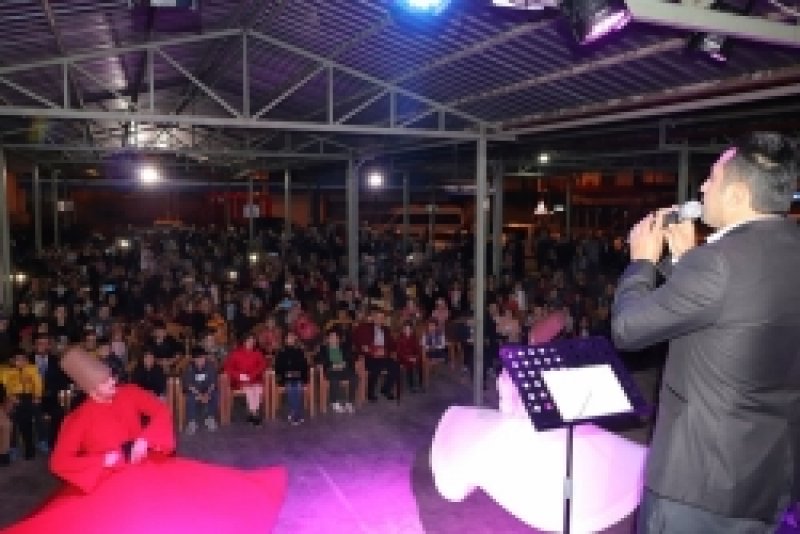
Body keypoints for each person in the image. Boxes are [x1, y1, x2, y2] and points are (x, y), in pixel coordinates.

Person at [611, 132, 800, 533]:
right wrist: (685, 260)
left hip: (698, 486)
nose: (702, 187)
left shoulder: (717, 263)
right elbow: (732, 313)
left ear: (738, 194)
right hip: (765, 480)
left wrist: (641, 262)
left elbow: (628, 329)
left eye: (712, 178)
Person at [3, 346, 288, 534]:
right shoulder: (77, 418)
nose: (113, 383)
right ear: (91, 390)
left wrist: (145, 439)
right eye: (106, 383)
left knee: (195, 499)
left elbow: (160, 410)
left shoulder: (128, 392)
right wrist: (102, 460)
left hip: (145, 461)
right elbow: (59, 461)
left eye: (111, 378)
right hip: (109, 478)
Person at [1, 350, 42, 460]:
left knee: (26, 419)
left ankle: (29, 447)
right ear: (12, 360)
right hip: (12, 397)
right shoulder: (5, 371)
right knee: (13, 419)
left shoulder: (32, 369)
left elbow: (37, 383)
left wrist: (37, 396)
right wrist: (10, 396)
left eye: (23, 359)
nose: (21, 362)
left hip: (28, 396)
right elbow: (4, 387)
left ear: (27, 360)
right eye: (18, 359)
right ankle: (13, 447)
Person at [222, 332, 267, 425]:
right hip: (240, 380)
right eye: (248, 341)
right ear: (244, 342)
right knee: (250, 391)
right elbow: (228, 367)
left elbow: (263, 365)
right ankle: (255, 414)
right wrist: (239, 376)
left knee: (258, 389)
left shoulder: (257, 353)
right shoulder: (236, 353)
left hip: (254, 379)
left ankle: (251, 413)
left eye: (252, 341)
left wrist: (253, 374)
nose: (251, 343)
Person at [317, 329, 357, 413]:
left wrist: (345, 363)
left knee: (354, 377)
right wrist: (332, 365)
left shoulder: (344, 348)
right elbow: (320, 360)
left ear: (338, 339)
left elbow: (351, 358)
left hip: (343, 369)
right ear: (327, 339)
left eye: (335, 337)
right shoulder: (323, 349)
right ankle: (334, 402)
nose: (333, 339)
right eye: (331, 337)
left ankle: (349, 402)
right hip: (331, 370)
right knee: (334, 379)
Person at [274, 331, 310, 425]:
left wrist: (304, 378)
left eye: (292, 337)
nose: (290, 339)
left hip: (298, 376)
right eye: (288, 337)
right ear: (285, 340)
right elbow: (278, 367)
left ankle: (294, 412)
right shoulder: (281, 352)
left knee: (297, 386)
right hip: (285, 377)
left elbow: (304, 366)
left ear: (295, 339)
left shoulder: (299, 351)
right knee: (290, 386)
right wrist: (284, 375)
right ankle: (295, 413)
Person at [182, 347, 219, 435]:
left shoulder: (210, 366)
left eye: (202, 358)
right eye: (198, 359)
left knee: (215, 394)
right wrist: (200, 395)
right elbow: (189, 385)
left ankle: (210, 418)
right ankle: (192, 422)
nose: (201, 361)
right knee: (190, 398)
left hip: (207, 389)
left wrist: (207, 394)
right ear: (193, 359)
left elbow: (213, 383)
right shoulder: (189, 368)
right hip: (194, 390)